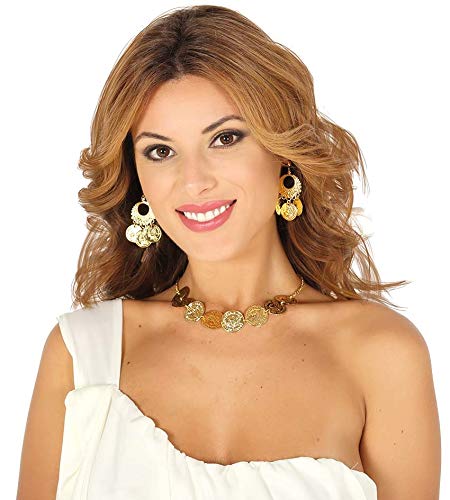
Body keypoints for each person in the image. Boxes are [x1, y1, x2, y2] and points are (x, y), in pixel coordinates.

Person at [16, 5, 441, 500]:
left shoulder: (382, 354)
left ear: (283, 151)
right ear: (136, 176)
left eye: (225, 138)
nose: (193, 181)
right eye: (160, 151)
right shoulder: (82, 355)